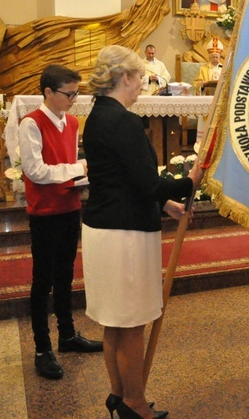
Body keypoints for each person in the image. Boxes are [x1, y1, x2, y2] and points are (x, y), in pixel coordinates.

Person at [81, 45, 203, 419]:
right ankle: (134, 401)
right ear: (126, 77)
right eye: (141, 78)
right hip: (125, 236)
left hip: (104, 229)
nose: (142, 86)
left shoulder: (99, 116)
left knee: (114, 323)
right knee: (131, 323)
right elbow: (148, 182)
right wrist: (189, 180)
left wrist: (166, 205)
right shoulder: (122, 121)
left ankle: (119, 394)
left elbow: (122, 179)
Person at [18, 65, 103, 380]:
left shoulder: (72, 122)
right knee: (43, 281)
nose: (74, 99)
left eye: (76, 93)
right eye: (69, 94)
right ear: (48, 93)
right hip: (44, 212)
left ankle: (66, 336)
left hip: (69, 207)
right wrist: (78, 167)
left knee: (66, 275)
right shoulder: (31, 124)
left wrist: (80, 175)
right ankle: (42, 348)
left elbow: (65, 167)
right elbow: (35, 171)